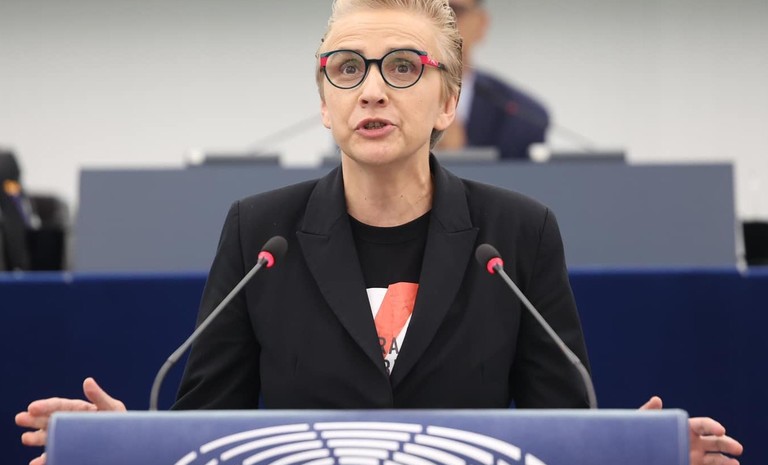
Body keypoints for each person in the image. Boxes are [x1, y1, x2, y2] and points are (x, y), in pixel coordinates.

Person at [16, 1, 742, 464]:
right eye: (346, 68)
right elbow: (204, 433)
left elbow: (562, 432)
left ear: (447, 100)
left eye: (401, 67)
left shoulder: (517, 234)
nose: (370, 89)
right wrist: (123, 441)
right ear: (324, 100)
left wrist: (636, 450)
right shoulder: (260, 235)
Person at [437, 0, 549, 160]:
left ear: (481, 24)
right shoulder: (396, 98)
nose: (434, 23)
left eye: (452, 12)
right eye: (423, 10)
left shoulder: (522, 116)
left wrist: (459, 152)